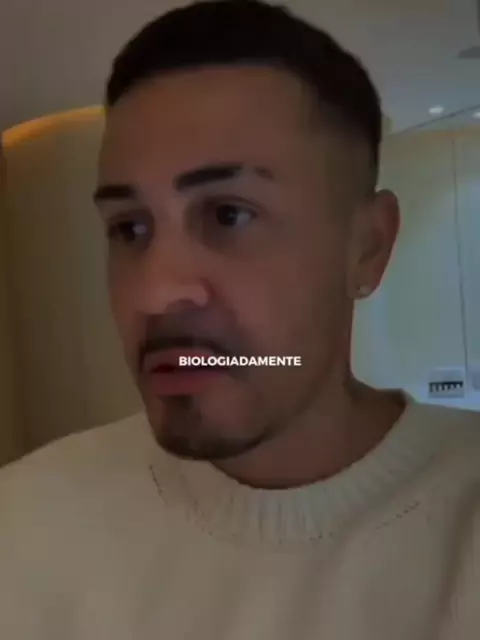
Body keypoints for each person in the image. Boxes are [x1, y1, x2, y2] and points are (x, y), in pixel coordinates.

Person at [1, 1, 479, 638]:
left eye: (228, 214)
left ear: (367, 247)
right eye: (129, 228)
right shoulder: (26, 524)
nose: (155, 292)